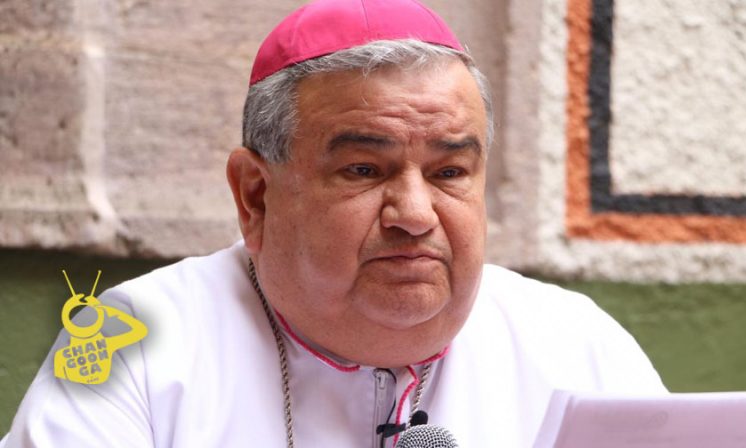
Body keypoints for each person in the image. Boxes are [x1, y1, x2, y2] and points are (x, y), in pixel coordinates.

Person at [1, 0, 666, 446]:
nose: (415, 215)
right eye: (364, 170)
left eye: (449, 172)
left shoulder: (576, 347)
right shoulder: (130, 345)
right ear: (256, 196)